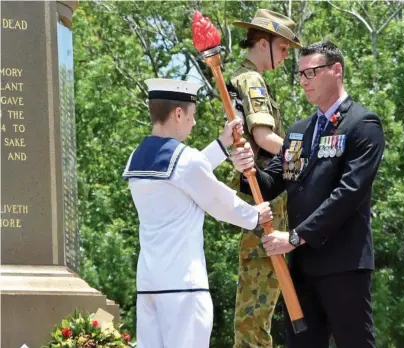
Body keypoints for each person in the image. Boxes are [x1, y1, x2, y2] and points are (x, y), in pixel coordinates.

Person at [231, 41, 385, 348]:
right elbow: (273, 181)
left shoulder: (362, 125)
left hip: (344, 264)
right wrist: (245, 168)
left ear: (336, 70)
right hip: (302, 268)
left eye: (311, 72)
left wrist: (295, 236)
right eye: (300, 74)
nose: (303, 81)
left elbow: (348, 194)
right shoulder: (299, 131)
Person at [122, 78, 273, 348]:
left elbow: (189, 174)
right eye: (191, 116)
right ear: (178, 114)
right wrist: (254, 214)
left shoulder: (137, 156)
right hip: (184, 285)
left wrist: (222, 143)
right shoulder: (185, 159)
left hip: (149, 284)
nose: (193, 123)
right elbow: (215, 198)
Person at [228, 9, 302, 347]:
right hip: (262, 205)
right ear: (263, 43)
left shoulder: (245, 77)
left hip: (261, 202)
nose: (286, 57)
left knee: (256, 313)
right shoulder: (252, 79)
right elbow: (263, 137)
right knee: (256, 315)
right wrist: (308, 156)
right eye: (283, 49)